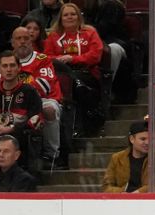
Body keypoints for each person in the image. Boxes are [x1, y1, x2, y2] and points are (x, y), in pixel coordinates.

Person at [44, 2, 105, 136]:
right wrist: (61, 59)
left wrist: (73, 59)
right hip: (62, 74)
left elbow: (95, 54)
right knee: (69, 83)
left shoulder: (89, 32)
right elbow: (47, 57)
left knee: (76, 86)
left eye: (73, 14)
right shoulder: (53, 36)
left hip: (87, 72)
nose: (70, 17)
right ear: (61, 18)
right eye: (66, 15)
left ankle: (84, 126)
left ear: (79, 17)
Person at [11, 25, 63, 167]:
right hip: (14, 102)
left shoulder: (42, 59)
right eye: (19, 38)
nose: (22, 41)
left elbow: (45, 86)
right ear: (12, 42)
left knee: (49, 109)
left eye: (26, 38)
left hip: (43, 100)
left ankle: (52, 155)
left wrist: (17, 89)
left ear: (31, 41)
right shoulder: (7, 61)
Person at [102, 120, 155, 192]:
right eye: (143, 139)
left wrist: (140, 192)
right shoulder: (117, 158)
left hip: (149, 201)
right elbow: (106, 187)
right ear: (132, 139)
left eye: (151, 139)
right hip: (122, 201)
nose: (147, 142)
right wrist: (122, 193)